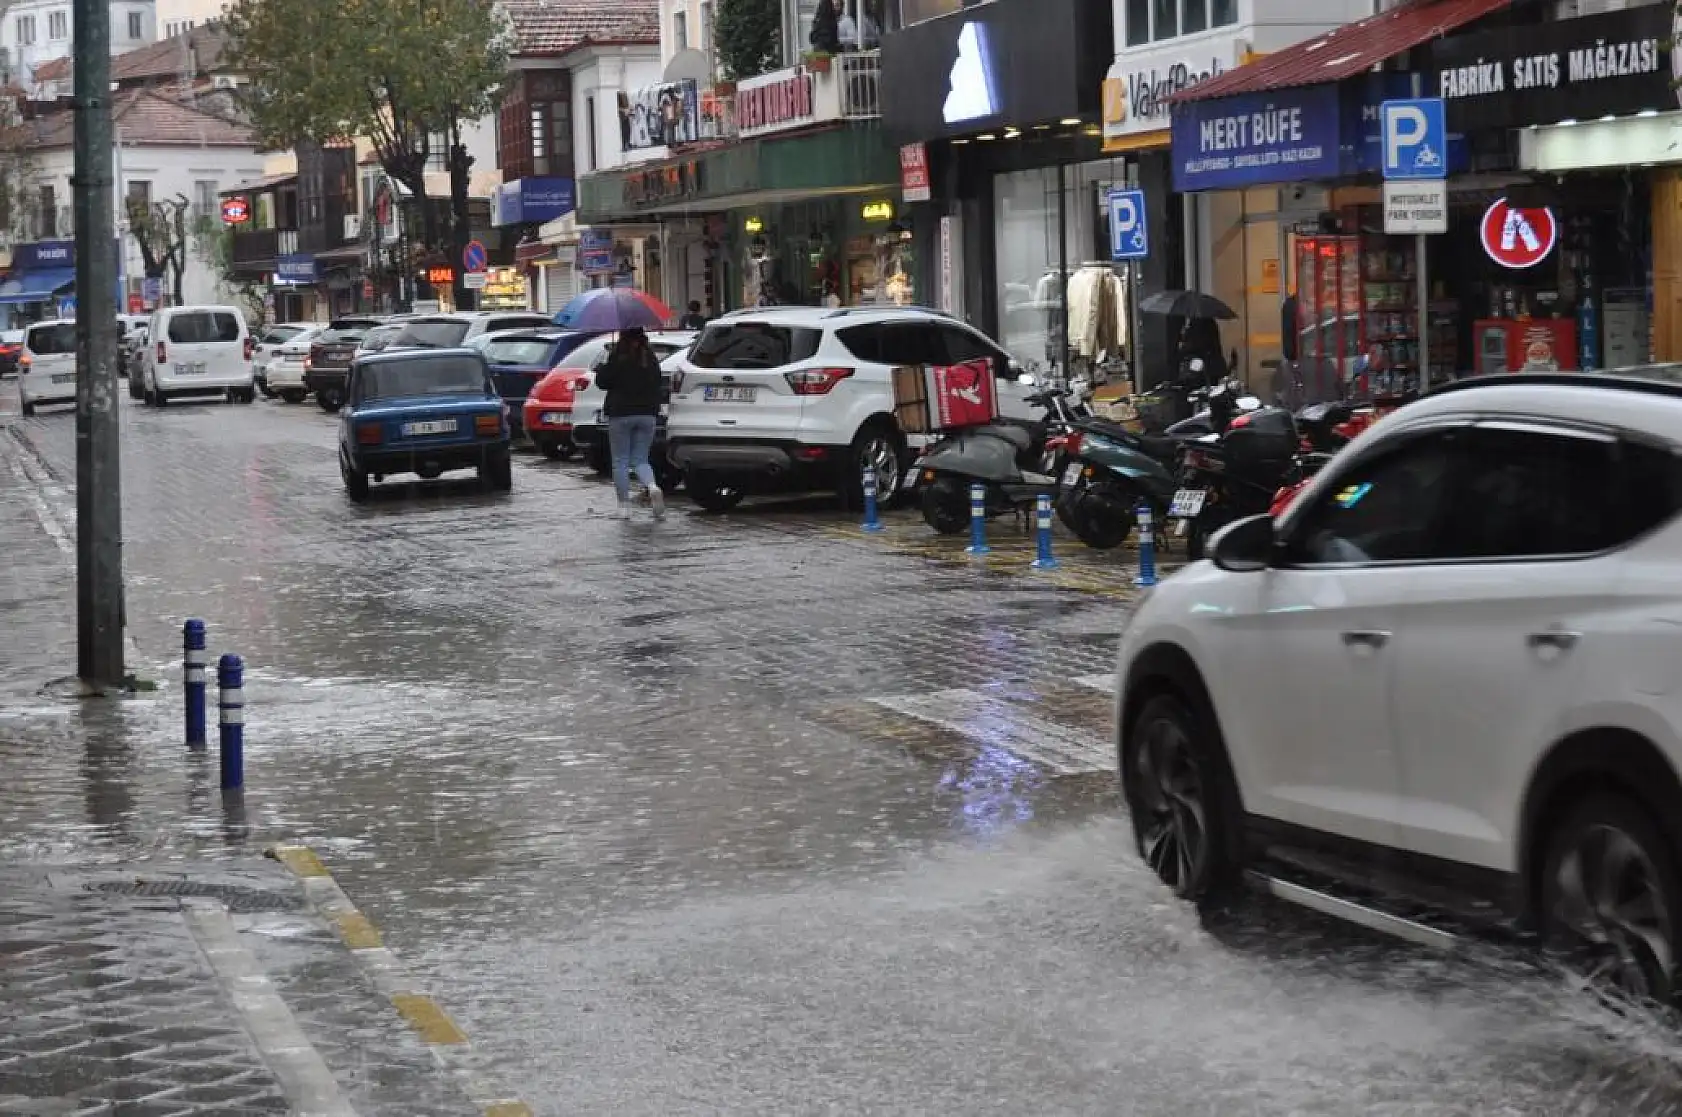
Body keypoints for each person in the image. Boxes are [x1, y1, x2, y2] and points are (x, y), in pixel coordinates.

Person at [595, 327, 666, 520]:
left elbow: (602, 382)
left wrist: (603, 367)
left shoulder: (618, 358)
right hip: (647, 414)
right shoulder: (650, 359)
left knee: (620, 461)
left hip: (621, 414)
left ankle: (624, 507)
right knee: (641, 459)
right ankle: (652, 486)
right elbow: (658, 382)